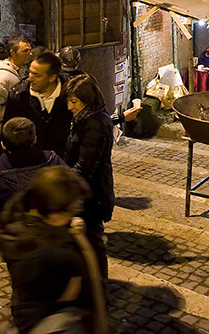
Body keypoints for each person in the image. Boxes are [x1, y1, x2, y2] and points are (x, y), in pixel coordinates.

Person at [0, 166, 107, 334]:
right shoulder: (57, 255)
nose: (76, 214)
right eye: (72, 209)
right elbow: (71, 294)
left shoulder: (17, 227)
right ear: (54, 214)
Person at [64, 74, 115, 281]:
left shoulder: (94, 124)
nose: (69, 106)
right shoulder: (86, 118)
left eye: (73, 101)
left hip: (92, 196)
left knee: (93, 243)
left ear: (88, 99)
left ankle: (99, 289)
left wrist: (59, 180)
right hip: (86, 193)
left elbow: (86, 166)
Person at [0, 117, 66, 227]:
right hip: (51, 232)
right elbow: (72, 190)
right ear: (35, 139)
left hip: (13, 237)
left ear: (3, 145)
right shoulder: (53, 161)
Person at [5, 52, 74, 155]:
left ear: (52, 78)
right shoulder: (19, 96)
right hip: (31, 162)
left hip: (64, 163)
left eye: (36, 75)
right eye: (30, 72)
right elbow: (8, 133)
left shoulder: (72, 93)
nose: (30, 78)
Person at [0, 37, 33, 140]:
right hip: (5, 134)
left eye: (30, 50)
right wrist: (13, 114)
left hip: (14, 132)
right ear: (13, 53)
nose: (30, 54)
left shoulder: (18, 71)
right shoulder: (2, 76)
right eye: (25, 51)